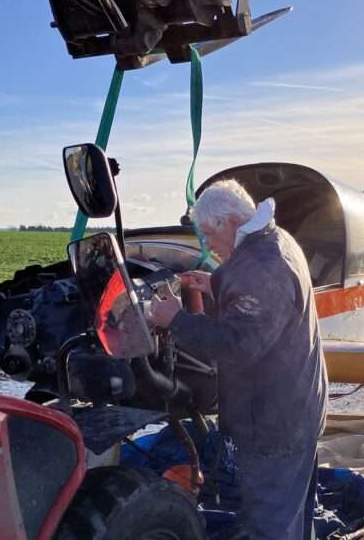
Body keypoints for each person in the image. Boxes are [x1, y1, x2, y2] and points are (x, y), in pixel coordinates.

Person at [146, 179, 328, 540]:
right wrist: (217, 283)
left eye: (208, 235)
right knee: (292, 517)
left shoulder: (262, 266)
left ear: (229, 222)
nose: (207, 245)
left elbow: (238, 344)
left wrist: (176, 320)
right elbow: (265, 305)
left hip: (274, 424)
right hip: (298, 409)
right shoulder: (275, 241)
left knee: (270, 524)